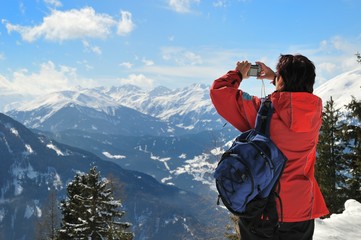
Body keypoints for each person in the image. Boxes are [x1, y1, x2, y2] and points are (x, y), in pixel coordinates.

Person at [210, 54, 329, 240]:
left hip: (263, 210)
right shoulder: (314, 113)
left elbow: (219, 92)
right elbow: (294, 102)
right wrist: (275, 77)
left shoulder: (262, 110)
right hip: (301, 212)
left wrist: (238, 74)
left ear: (282, 79)